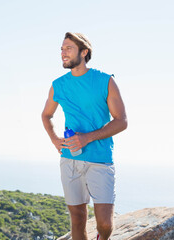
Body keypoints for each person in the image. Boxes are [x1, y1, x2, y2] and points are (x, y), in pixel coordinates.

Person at [41, 32, 127, 240]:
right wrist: (54, 138)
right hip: (70, 160)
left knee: (105, 223)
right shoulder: (58, 85)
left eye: (68, 48)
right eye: (62, 49)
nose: (63, 53)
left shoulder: (105, 81)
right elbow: (46, 115)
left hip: (100, 159)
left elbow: (121, 121)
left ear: (84, 52)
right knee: (78, 218)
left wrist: (87, 138)